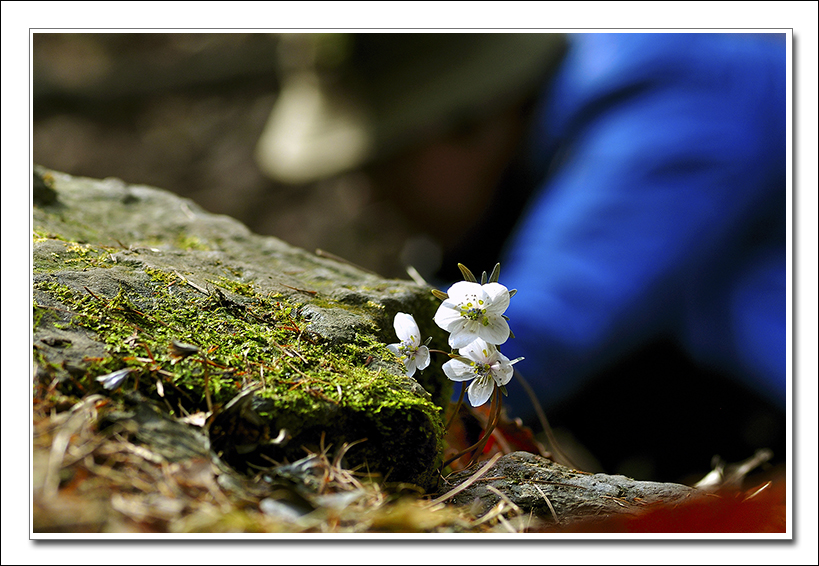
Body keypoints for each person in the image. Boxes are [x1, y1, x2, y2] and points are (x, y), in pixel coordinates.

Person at [256, 32, 787, 481]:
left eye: (382, 160)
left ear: (463, 119)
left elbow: (551, 323)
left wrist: (327, 412)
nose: (367, 194)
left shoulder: (673, 99)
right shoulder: (576, 100)